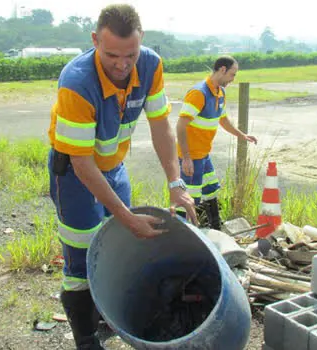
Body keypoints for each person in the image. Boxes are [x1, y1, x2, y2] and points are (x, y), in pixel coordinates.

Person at [46, 4, 198, 349]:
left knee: (117, 246)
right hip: (74, 174)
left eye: (130, 54)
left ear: (141, 40)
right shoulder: (76, 82)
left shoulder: (150, 64)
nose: (122, 63)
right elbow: (83, 163)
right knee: (82, 254)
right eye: (111, 54)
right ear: (94, 39)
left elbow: (160, 124)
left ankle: (106, 316)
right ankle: (86, 338)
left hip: (113, 167)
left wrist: (175, 183)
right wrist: (127, 217)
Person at [175, 56, 257, 230]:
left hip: (204, 155)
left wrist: (241, 135)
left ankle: (213, 229)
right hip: (191, 157)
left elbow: (223, 119)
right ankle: (181, 234)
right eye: (232, 75)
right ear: (222, 70)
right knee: (189, 199)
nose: (233, 79)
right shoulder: (198, 93)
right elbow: (180, 126)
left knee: (211, 189)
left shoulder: (220, 93)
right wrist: (187, 158)